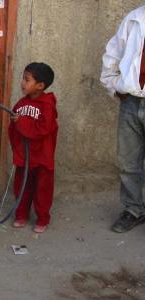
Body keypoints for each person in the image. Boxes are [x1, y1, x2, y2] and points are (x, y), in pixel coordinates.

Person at [100, 5, 145, 233]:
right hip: (132, 101)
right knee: (129, 161)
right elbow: (114, 53)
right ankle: (133, 210)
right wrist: (114, 85)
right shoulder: (135, 18)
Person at [9, 62, 58, 234]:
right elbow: (13, 128)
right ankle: (21, 215)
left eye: (27, 79)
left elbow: (43, 129)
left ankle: (43, 218)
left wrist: (21, 122)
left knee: (42, 190)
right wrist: (17, 147)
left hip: (42, 158)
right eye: (23, 78)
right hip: (25, 157)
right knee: (22, 187)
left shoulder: (47, 105)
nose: (22, 83)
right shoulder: (21, 104)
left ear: (40, 86)